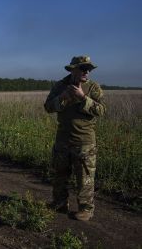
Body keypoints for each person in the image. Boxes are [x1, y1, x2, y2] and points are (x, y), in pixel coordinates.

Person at [44, 55, 106, 221]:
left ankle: (86, 209)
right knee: (60, 174)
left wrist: (83, 98)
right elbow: (48, 107)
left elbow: (101, 111)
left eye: (89, 69)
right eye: (83, 68)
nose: (87, 71)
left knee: (85, 178)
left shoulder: (93, 87)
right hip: (63, 139)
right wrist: (62, 97)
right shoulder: (60, 86)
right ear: (73, 69)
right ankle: (59, 203)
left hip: (84, 141)